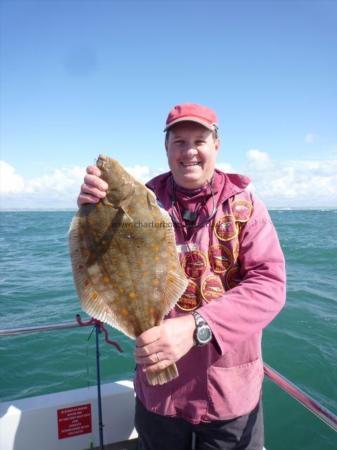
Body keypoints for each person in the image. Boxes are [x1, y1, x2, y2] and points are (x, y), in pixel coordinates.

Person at [77, 103, 286, 450]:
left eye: (199, 140)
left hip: (228, 396)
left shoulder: (246, 207)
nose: (189, 151)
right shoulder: (140, 202)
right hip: (158, 395)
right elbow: (98, 258)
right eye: (179, 141)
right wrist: (90, 212)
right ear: (166, 148)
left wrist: (197, 326)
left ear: (216, 145)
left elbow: (270, 285)